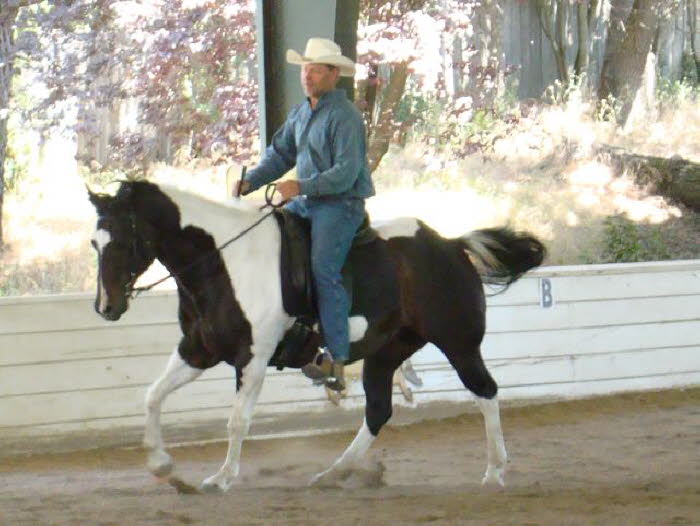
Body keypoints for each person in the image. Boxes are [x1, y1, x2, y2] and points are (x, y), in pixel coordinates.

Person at [236, 37, 374, 391]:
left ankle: (336, 359)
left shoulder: (345, 117)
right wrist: (249, 182)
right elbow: (280, 155)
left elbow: (346, 172)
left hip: (340, 205)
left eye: (315, 69)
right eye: (304, 68)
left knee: (323, 269)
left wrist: (301, 186)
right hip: (309, 202)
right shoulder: (301, 112)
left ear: (333, 74)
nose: (307, 75)